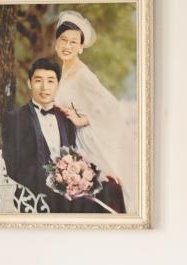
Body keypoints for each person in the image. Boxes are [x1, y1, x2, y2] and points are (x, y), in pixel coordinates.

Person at [53, 10, 133, 213]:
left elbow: (110, 105)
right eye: (63, 40)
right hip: (68, 139)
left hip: (87, 141)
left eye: (73, 42)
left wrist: (82, 120)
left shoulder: (83, 74)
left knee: (96, 190)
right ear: (56, 42)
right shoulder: (63, 72)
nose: (67, 46)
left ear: (81, 47)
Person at [1, 58, 76, 212]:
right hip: (32, 200)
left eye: (50, 81)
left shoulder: (67, 119)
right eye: (38, 80)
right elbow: (12, 166)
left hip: (68, 201)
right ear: (29, 83)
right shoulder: (15, 118)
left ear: (58, 84)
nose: (44, 87)